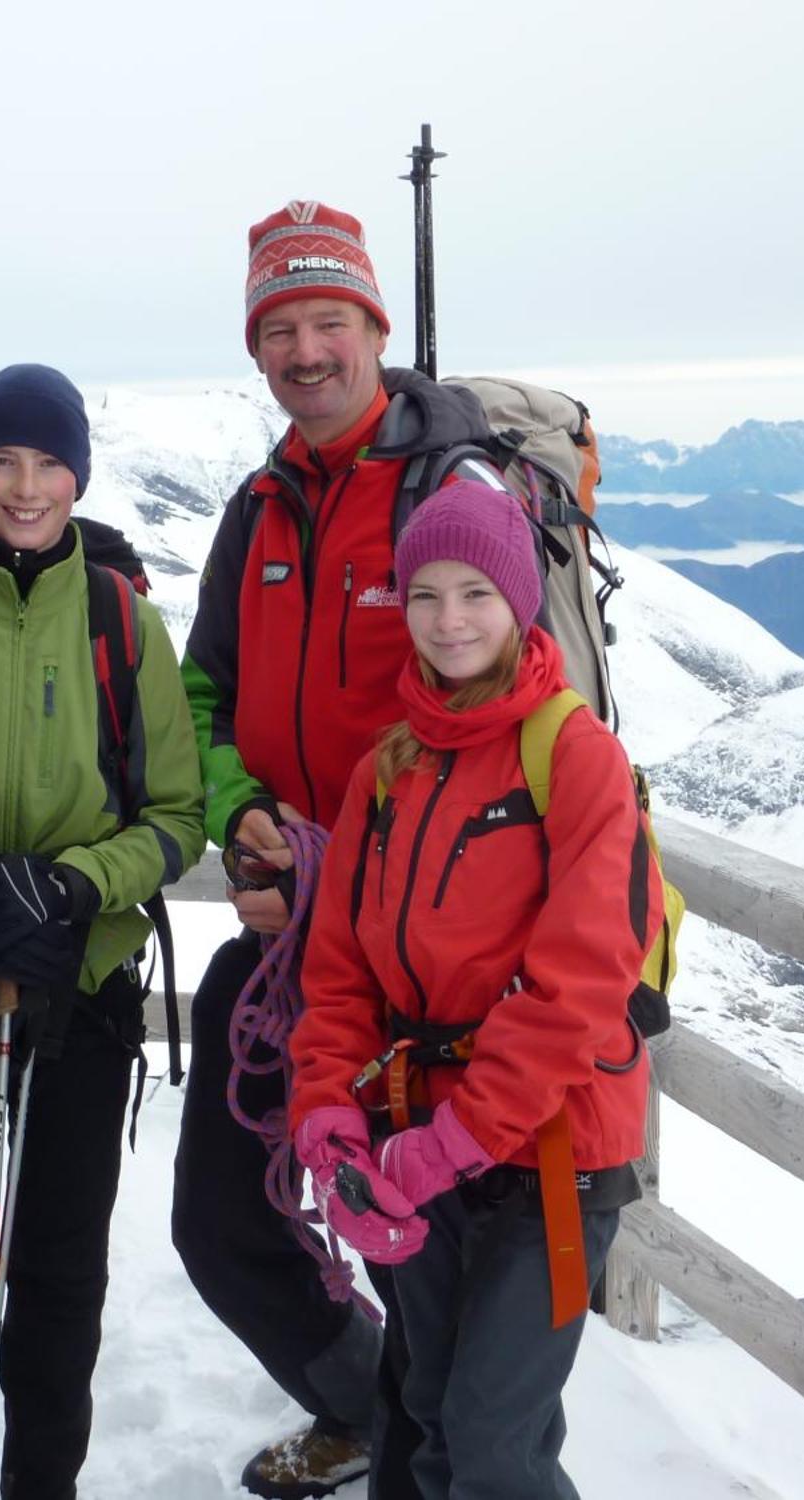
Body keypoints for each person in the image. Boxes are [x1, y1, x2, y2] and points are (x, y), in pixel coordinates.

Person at [174, 200, 498, 1499]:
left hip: (413, 971)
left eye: (328, 322)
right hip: (283, 945)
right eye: (280, 329)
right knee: (223, 1222)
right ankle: (369, 1409)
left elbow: (493, 732)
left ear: (372, 327)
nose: (305, 351)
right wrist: (241, 811)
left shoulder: (443, 495)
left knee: (412, 1243)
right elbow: (199, 695)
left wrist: (334, 869)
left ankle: (432, 1458)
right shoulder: (261, 512)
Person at [288, 479, 662, 1500]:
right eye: (423, 597)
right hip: (419, 1141)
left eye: (474, 594)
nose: (448, 621)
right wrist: (327, 1107)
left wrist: (450, 1146)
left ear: (518, 603)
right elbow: (338, 972)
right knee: (430, 1418)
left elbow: (577, 987)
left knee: (492, 1441)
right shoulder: (387, 769)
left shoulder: (573, 758)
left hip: (548, 1148)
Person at [0, 364, 204, 1500]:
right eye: (1, 461)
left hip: (82, 986)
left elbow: (176, 818)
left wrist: (70, 888)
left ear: (77, 475)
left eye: (46, 463)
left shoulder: (122, 623)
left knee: (58, 1280)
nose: (23, 486)